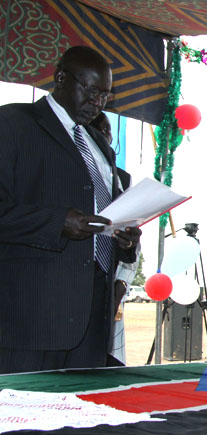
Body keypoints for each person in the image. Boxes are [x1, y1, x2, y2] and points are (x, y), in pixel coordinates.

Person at [0, 46, 141, 374]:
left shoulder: (100, 143)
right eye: (91, 91)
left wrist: (124, 240)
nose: (98, 102)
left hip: (92, 325)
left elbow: (107, 213)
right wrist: (56, 222)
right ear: (60, 78)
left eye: (105, 95)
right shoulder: (13, 124)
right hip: (32, 322)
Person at [90, 111, 140, 366]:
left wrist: (120, 285)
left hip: (110, 287)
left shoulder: (122, 178)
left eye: (108, 130)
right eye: (97, 129)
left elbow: (132, 238)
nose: (105, 135)